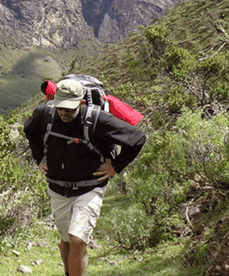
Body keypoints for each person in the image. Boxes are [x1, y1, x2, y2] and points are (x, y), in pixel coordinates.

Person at [24, 79, 146, 276]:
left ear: (81, 103)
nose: (64, 113)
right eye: (61, 108)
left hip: (90, 187)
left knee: (77, 239)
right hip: (57, 188)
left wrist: (116, 166)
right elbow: (30, 133)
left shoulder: (98, 120)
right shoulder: (44, 114)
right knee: (66, 239)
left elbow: (137, 138)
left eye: (70, 109)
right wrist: (40, 158)